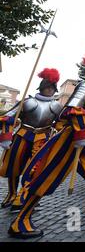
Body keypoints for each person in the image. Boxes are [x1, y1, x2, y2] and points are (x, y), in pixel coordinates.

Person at [8, 48, 85, 239]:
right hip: (77, 136)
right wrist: (81, 132)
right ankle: (20, 221)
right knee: (48, 176)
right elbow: (71, 109)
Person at [0, 69, 62, 210]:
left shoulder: (56, 106)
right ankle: (11, 194)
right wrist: (6, 136)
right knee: (14, 167)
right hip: (23, 135)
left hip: (43, 139)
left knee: (35, 170)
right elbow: (8, 117)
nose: (50, 90)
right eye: (47, 87)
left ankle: (26, 195)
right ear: (41, 87)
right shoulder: (27, 102)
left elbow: (60, 124)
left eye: (52, 88)